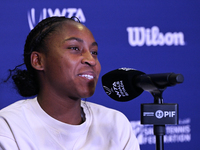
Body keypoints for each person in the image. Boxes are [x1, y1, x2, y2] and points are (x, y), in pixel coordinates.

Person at [0, 16, 140, 150]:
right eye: (74, 48)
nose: (91, 60)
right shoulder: (9, 126)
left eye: (94, 52)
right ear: (38, 61)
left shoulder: (115, 124)